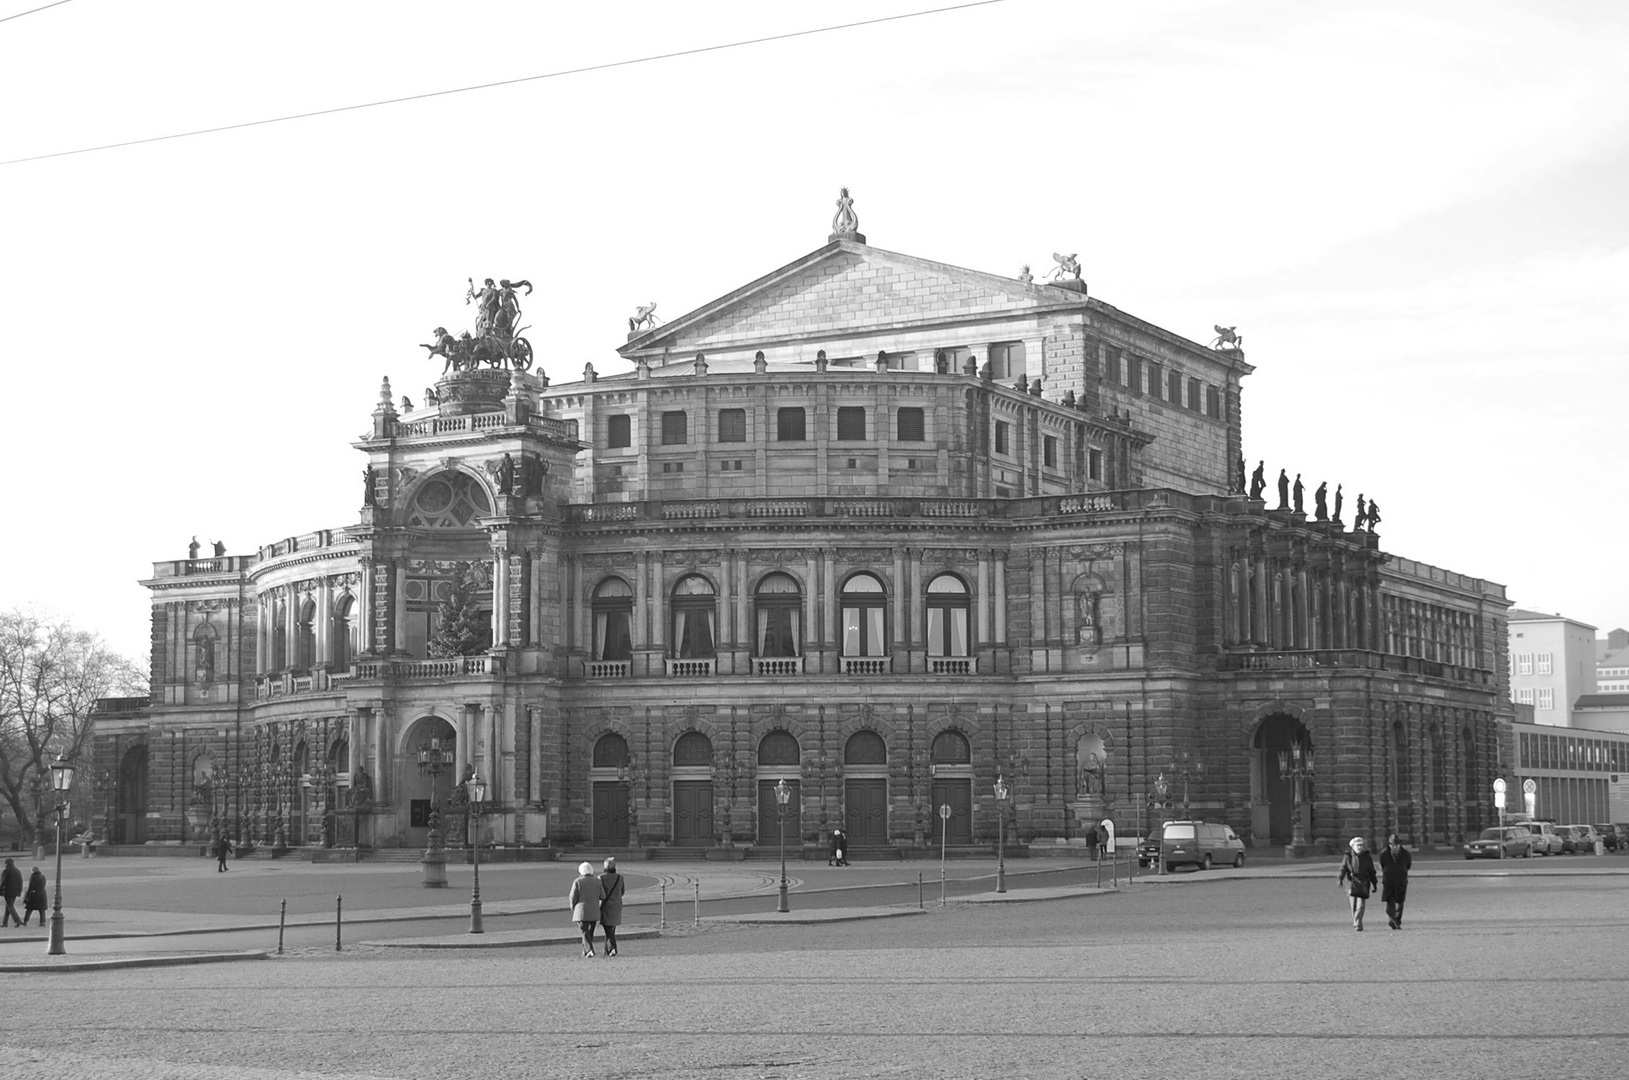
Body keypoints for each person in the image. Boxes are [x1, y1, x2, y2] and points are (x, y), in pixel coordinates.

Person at [1337, 836, 1378, 931]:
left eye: (1361, 845)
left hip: (1363, 882)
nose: (1359, 847)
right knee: (1353, 905)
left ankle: (1357, 922)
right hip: (1352, 882)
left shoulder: (1367, 857)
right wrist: (1340, 878)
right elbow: (1343, 868)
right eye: (1357, 845)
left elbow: (1371, 871)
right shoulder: (1348, 857)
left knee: (1361, 905)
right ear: (1353, 846)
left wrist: (1374, 883)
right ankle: (1358, 923)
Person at [569, 861, 602, 958]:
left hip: (581, 911)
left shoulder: (577, 882)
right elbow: (602, 895)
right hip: (594, 910)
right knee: (589, 931)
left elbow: (572, 897)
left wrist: (572, 906)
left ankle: (589, 950)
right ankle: (586, 950)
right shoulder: (598, 881)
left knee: (584, 931)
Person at [1379, 833, 1412, 930]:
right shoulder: (1384, 854)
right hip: (1388, 881)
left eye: (1396, 845)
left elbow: (1408, 865)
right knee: (1390, 901)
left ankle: (1397, 921)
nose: (1395, 847)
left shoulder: (1405, 854)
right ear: (1389, 844)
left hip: (1401, 881)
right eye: (1393, 845)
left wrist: (1401, 872)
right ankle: (1391, 920)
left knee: (1399, 902)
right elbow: (1381, 866)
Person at [599, 857, 626, 957]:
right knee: (611, 928)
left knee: (608, 928)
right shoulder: (620, 877)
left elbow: (600, 893)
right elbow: (622, 892)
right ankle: (607, 949)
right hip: (617, 904)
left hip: (606, 905)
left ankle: (612, 948)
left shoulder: (601, 877)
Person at [1, 858, 22, 927]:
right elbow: (20, 882)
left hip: (8, 891)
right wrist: (19, 891)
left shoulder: (6, 871)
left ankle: (17, 920)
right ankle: (5, 922)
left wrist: (0, 890)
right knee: (8, 906)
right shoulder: (17, 871)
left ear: (6, 864)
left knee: (10, 906)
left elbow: (3, 882)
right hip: (15, 892)